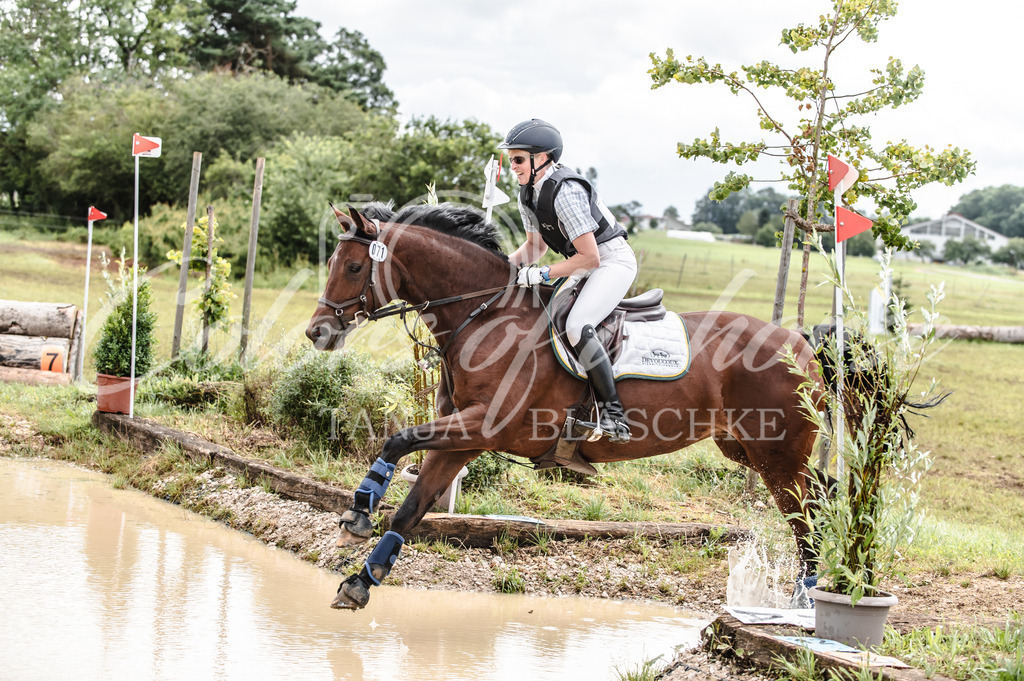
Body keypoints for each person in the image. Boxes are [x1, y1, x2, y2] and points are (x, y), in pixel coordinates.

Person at [500, 118, 637, 443]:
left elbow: (591, 258)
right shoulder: (528, 194)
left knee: (577, 324)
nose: (513, 167)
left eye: (518, 159)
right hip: (583, 263)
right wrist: (500, 269)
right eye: (511, 160)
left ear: (542, 157)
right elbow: (535, 246)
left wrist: (543, 273)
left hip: (611, 261)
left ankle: (614, 415)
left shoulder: (566, 191)